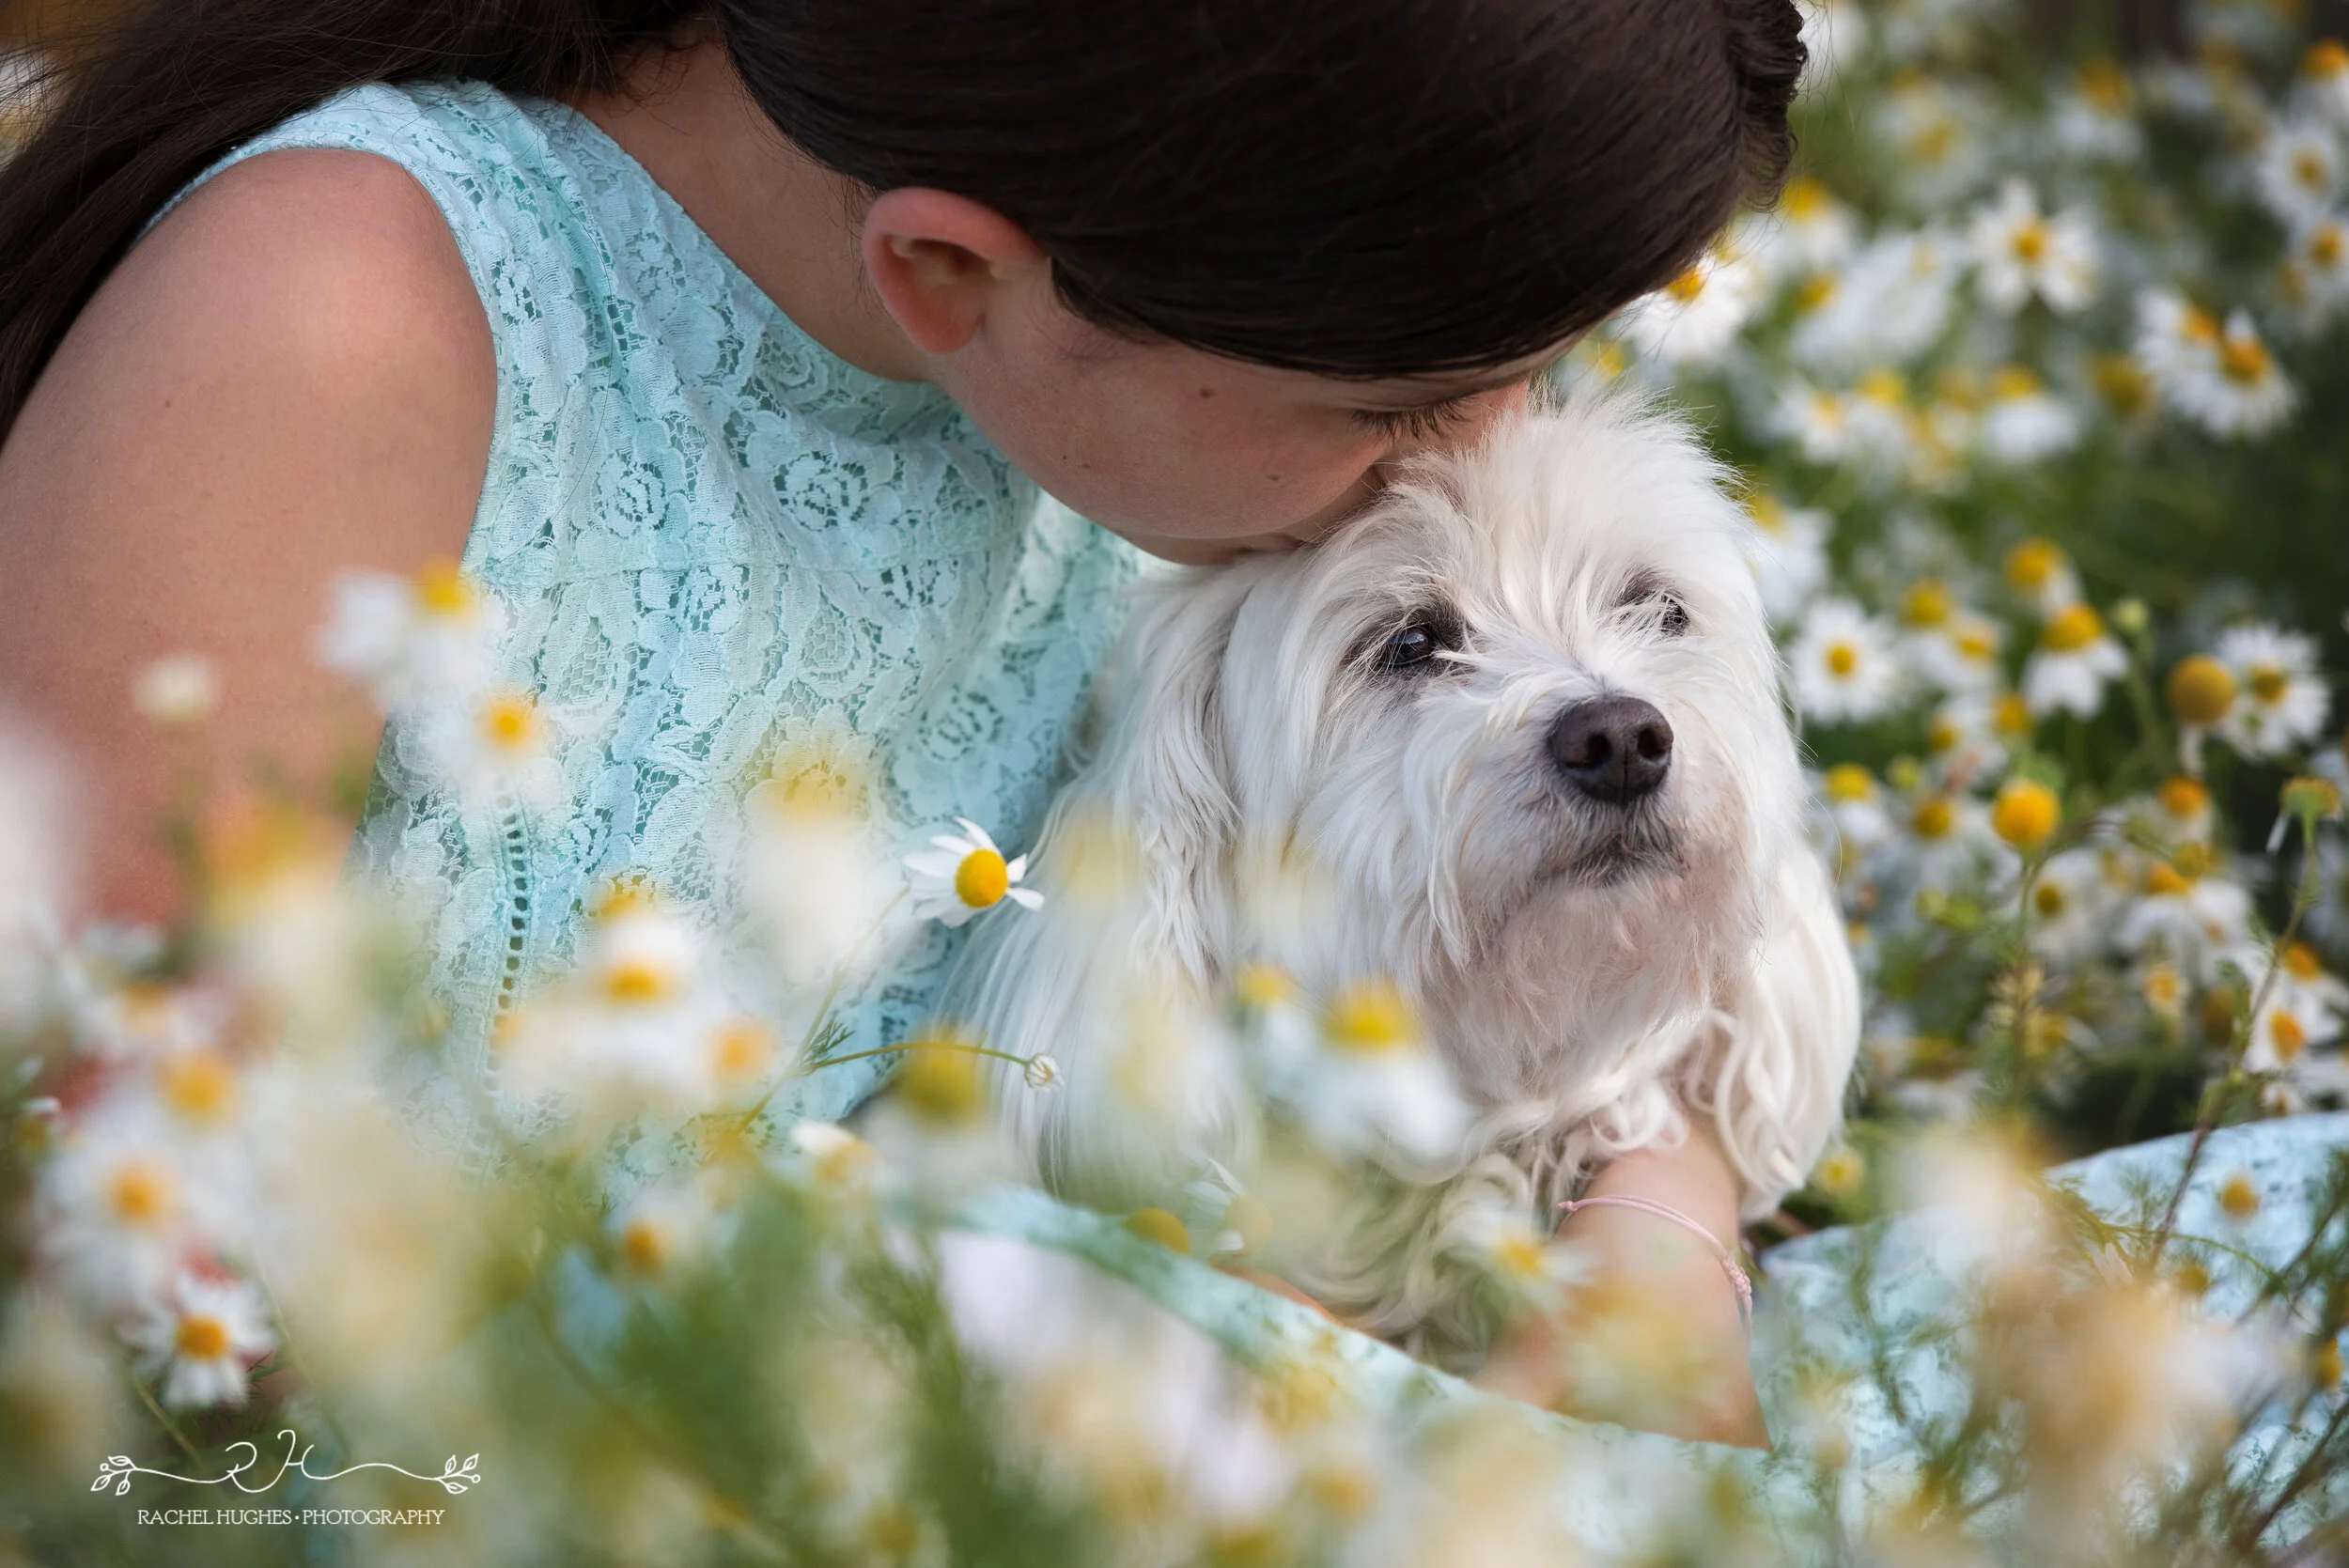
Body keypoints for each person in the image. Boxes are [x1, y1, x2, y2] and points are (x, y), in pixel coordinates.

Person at [0, 0, 1806, 1446]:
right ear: (953, 274)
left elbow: (1562, 913)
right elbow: (113, 1242)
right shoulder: (335, 331)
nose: (1483, 450)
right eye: (1405, 398)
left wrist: (1661, 1222)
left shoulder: (1179, 376)